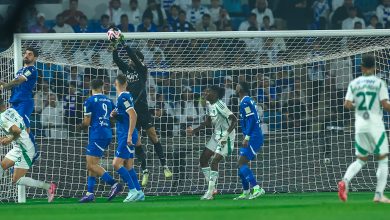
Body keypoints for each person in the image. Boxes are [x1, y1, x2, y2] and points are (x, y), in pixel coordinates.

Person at [112, 34, 172, 187]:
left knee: (153, 136)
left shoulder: (142, 70)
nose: (130, 61)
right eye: (131, 60)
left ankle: (164, 165)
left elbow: (133, 56)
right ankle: (145, 170)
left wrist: (124, 43)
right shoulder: (127, 70)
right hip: (131, 111)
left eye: (133, 59)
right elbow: (117, 60)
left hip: (143, 110)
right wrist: (114, 46)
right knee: (137, 142)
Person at [338, 54, 390, 203]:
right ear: (375, 67)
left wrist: (360, 108)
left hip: (360, 125)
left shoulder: (354, 83)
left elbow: (347, 104)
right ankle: (379, 194)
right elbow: (386, 105)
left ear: (361, 67)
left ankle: (345, 181)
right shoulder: (379, 83)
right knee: (383, 159)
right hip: (375, 124)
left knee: (361, 159)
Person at [0, 99, 56, 202]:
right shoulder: (11, 110)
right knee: (1, 166)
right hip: (19, 147)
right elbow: (21, 128)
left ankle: (48, 187)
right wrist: (7, 137)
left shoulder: (2, 118)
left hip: (24, 149)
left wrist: (9, 139)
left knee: (16, 180)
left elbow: (17, 130)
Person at [187, 86, 237, 200]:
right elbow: (208, 122)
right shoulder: (209, 104)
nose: (205, 93)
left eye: (208, 91)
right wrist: (195, 130)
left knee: (214, 161)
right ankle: (212, 188)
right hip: (216, 135)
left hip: (226, 137)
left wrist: (226, 135)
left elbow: (235, 120)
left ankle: (209, 192)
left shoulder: (221, 106)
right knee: (203, 159)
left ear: (215, 94)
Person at [78, 79, 122, 203]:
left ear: (90, 88)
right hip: (107, 133)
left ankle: (114, 184)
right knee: (92, 164)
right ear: (102, 87)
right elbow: (114, 116)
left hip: (97, 134)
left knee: (91, 164)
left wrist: (78, 127)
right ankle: (90, 193)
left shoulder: (89, 101)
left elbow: (86, 123)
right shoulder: (108, 100)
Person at [111, 74, 144, 202]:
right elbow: (125, 116)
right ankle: (139, 192)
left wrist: (129, 135)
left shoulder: (123, 96)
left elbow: (133, 115)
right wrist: (116, 116)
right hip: (126, 133)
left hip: (126, 135)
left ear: (116, 84)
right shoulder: (126, 96)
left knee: (116, 163)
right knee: (128, 165)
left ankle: (132, 190)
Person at [234, 81, 265, 200]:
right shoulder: (247, 101)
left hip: (253, 136)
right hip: (252, 135)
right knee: (240, 164)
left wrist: (247, 137)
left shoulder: (245, 102)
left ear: (241, 89)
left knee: (241, 163)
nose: (235, 86)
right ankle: (246, 191)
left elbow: (252, 119)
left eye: (238, 85)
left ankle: (257, 188)